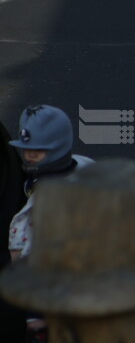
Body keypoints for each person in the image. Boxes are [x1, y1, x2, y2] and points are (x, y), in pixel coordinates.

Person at [6, 107, 94, 262]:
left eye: (39, 149)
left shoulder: (75, 195)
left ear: (59, 147)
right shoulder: (31, 182)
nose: (30, 155)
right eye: (26, 148)